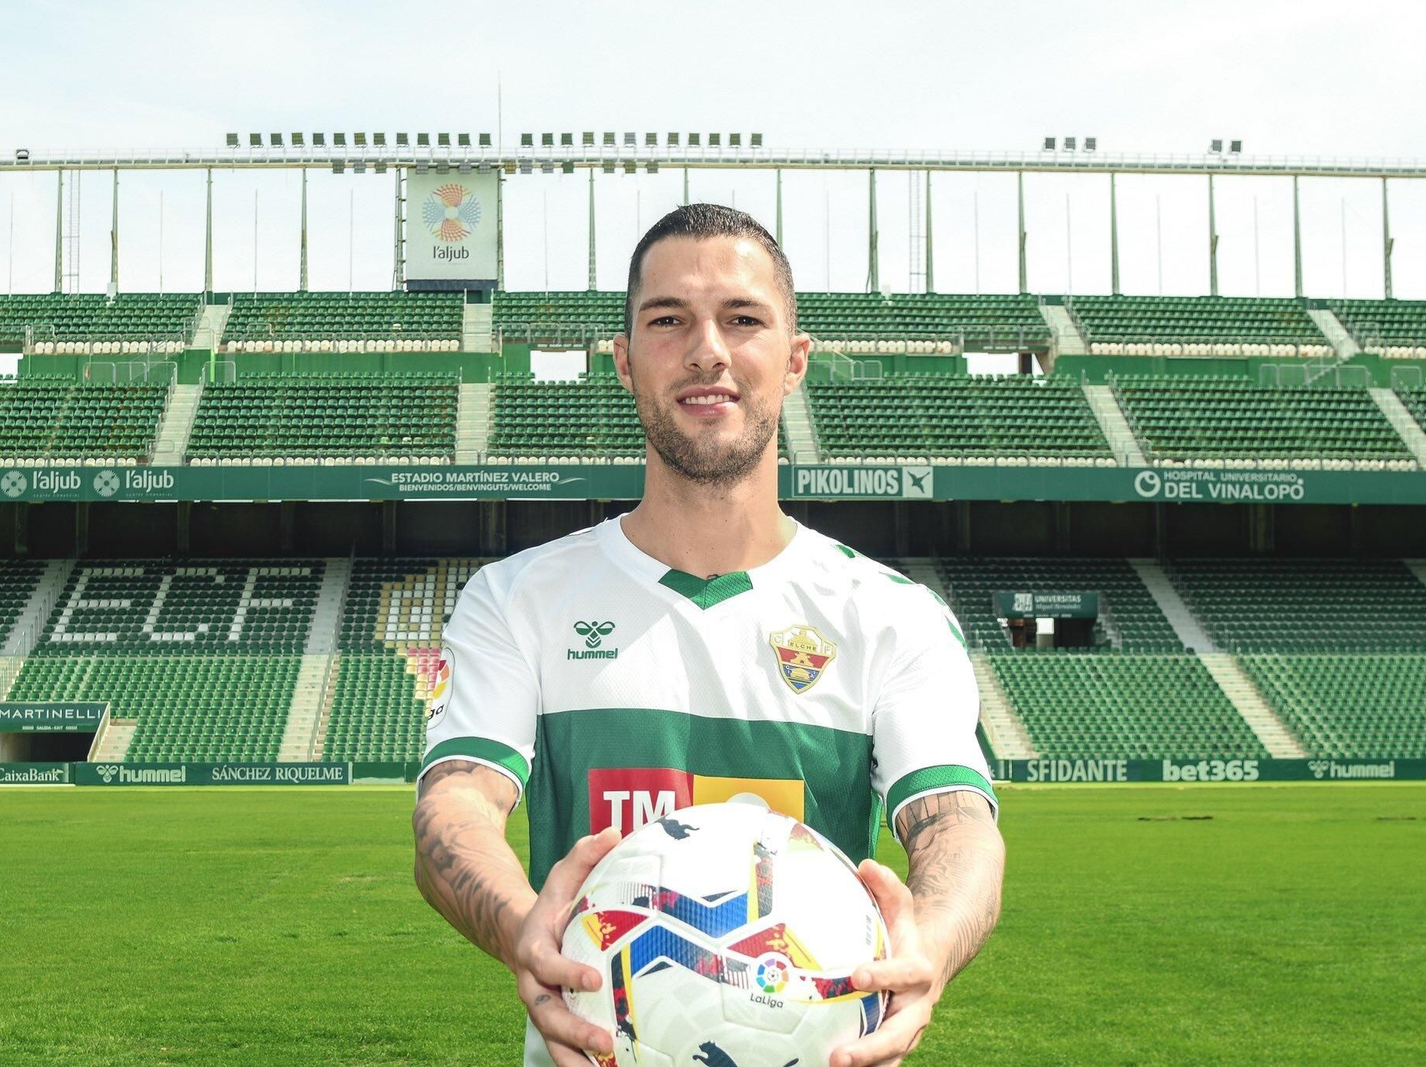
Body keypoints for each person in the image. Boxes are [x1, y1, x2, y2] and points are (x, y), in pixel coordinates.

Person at [413, 204, 1005, 1067]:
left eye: (742, 318)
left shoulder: (892, 614)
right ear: (623, 361)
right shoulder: (517, 598)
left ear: (794, 360)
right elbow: (456, 803)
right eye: (668, 320)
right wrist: (522, 928)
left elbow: (956, 822)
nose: (707, 351)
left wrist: (930, 949)